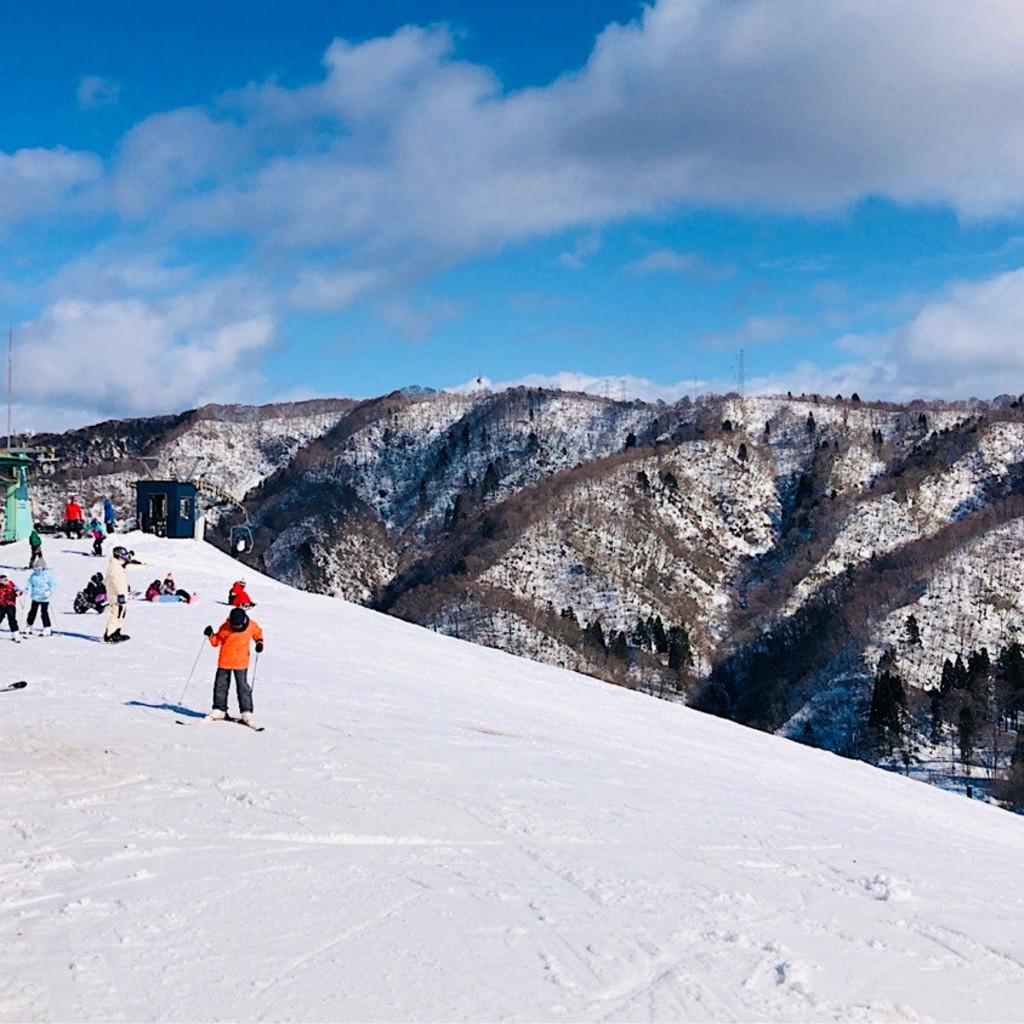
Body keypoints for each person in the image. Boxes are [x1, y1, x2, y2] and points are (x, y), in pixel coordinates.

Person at [204, 606, 264, 726]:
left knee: (243, 687)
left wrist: (259, 642)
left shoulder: (251, 625)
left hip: (241, 662)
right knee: (220, 685)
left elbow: (258, 633)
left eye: (239, 626)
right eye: (234, 626)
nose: (236, 628)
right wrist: (211, 635)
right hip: (225, 661)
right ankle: (219, 710)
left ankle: (246, 712)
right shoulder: (225, 627)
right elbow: (216, 642)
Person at [103, 545, 133, 643]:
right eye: (124, 555)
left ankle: (116, 632)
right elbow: (116, 582)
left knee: (121, 614)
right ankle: (109, 634)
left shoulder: (118, 566)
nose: (125, 557)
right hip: (116, 595)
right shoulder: (114, 567)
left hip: (120, 594)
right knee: (115, 614)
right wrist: (120, 594)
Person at [25, 559, 55, 636]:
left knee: (44, 612)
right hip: (35, 596)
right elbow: (30, 583)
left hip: (44, 598)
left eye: (39, 569)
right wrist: (27, 589)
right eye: (36, 569)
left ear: (43, 568)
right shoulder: (33, 575)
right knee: (32, 611)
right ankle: (29, 625)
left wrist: (49, 592)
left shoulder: (47, 575)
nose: (37, 570)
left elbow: (53, 584)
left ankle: (47, 628)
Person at [0, 572, 22, 642]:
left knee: (12, 619)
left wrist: (18, 592)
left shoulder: (12, 585)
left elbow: (19, 591)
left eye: (5, 580)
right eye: (1, 580)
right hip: (1, 605)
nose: (3, 582)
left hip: (10, 605)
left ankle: (15, 634)